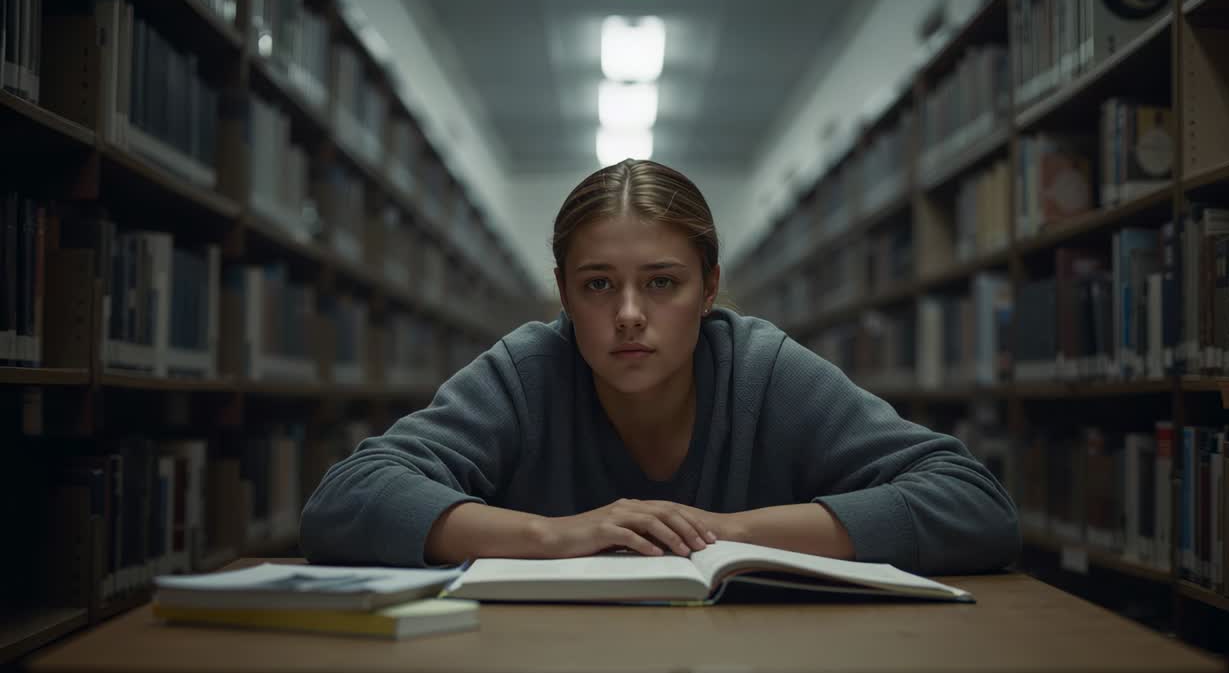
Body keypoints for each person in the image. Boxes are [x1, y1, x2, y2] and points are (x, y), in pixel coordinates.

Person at [300, 159, 1019, 575]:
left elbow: (974, 504)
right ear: (565, 295)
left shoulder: (762, 368)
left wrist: (721, 531)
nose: (631, 314)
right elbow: (346, 500)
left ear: (709, 289)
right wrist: (556, 535)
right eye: (599, 284)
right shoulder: (528, 370)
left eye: (663, 282)